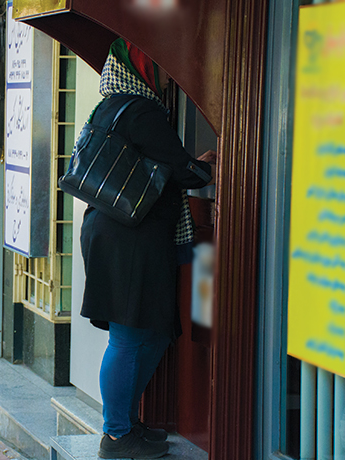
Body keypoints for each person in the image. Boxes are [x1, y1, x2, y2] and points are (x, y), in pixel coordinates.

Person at [79, 39, 216, 460]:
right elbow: (179, 168)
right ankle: (116, 435)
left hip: (116, 231)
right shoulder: (141, 110)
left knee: (152, 333)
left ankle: (126, 424)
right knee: (129, 335)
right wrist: (207, 168)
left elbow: (159, 163)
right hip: (129, 238)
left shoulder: (109, 107)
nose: (167, 76)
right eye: (159, 67)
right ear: (142, 68)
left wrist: (192, 167)